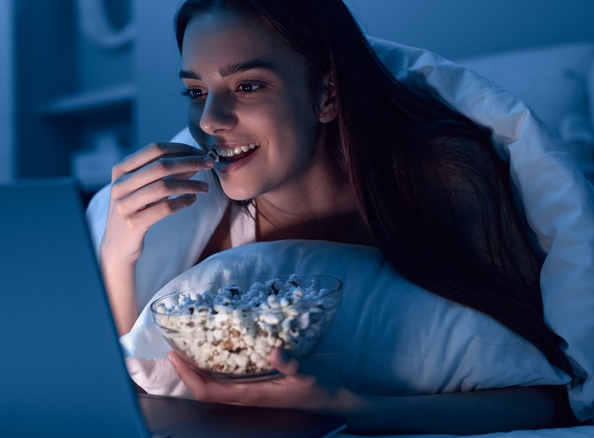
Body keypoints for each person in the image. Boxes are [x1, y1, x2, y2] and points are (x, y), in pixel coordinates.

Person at [94, 0, 581, 434]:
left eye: (248, 85)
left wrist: (351, 409)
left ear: (327, 95)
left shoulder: (441, 175)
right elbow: (116, 389)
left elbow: (550, 400)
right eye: (196, 92)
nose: (209, 121)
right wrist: (117, 256)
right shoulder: (194, 222)